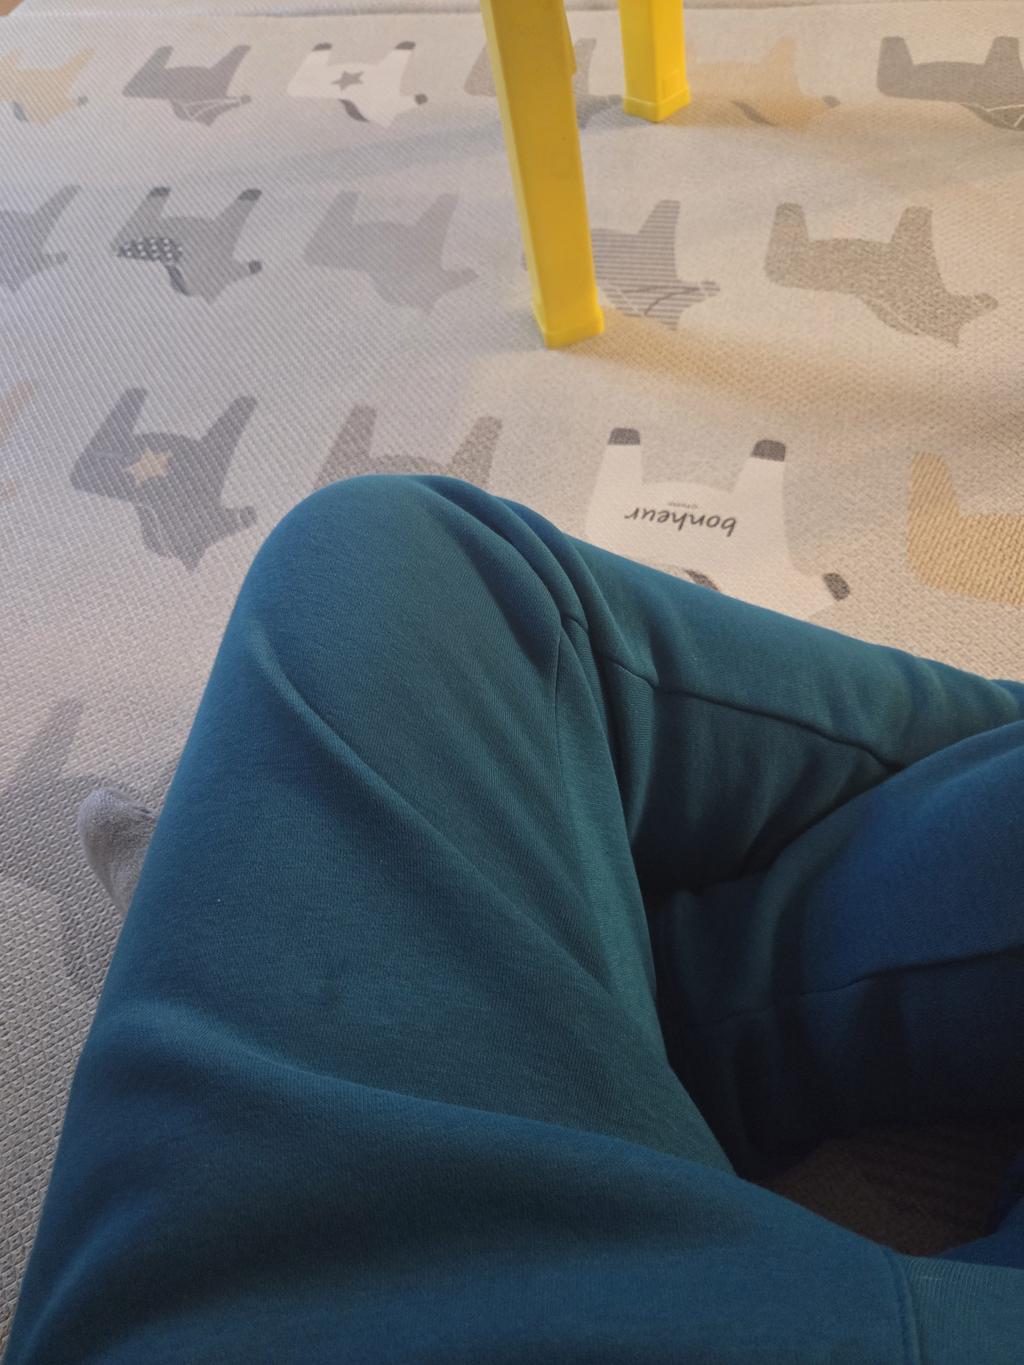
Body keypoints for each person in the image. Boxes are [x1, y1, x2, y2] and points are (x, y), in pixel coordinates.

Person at [6, 473, 1024, 1363]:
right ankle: (277, 933)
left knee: (405, 561)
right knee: (424, 573)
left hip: (210, 1296)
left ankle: (266, 940)